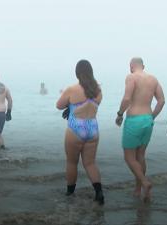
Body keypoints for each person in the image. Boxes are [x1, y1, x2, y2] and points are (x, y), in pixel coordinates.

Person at [115, 57, 165, 201]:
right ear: (143, 65)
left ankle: (144, 182)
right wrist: (152, 117)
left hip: (134, 120)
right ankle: (139, 190)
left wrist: (119, 114)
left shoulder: (131, 77)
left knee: (129, 157)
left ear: (131, 66)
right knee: (140, 156)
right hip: (147, 120)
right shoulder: (153, 79)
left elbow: (126, 99)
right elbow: (161, 101)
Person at [56, 59, 104, 205]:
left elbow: (58, 105)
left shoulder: (72, 89)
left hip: (76, 128)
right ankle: (99, 193)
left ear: (77, 73)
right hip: (93, 128)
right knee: (90, 163)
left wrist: (67, 103)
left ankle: (70, 193)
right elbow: (90, 104)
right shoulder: (98, 89)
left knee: (72, 162)